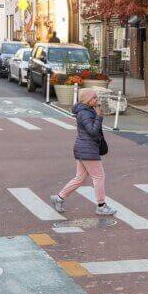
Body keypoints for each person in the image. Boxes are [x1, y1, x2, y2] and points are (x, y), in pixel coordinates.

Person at [50, 88, 116, 216]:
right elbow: (92, 131)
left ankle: (59, 198)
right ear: (87, 99)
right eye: (94, 98)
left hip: (83, 148)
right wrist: (99, 117)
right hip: (87, 149)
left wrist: (97, 115)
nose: (96, 100)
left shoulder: (87, 110)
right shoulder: (85, 113)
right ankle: (101, 206)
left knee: (80, 178)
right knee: (99, 177)